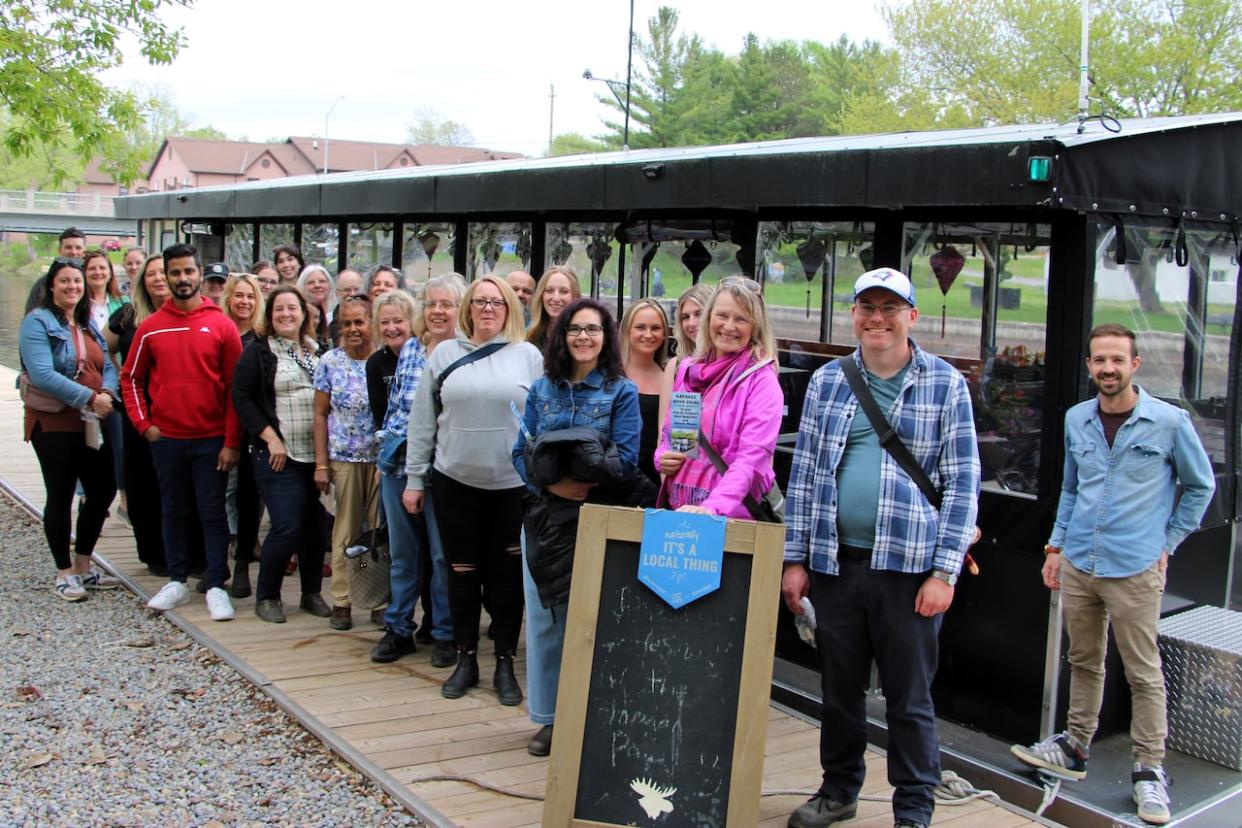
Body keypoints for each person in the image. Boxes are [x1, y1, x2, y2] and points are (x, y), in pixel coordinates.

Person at [781, 267, 981, 828]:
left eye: (890, 308)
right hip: (837, 562)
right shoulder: (828, 382)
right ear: (855, 315)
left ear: (911, 317)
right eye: (867, 306)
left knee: (909, 699)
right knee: (839, 691)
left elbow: (964, 485)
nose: (877, 318)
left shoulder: (945, 384)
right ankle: (839, 790)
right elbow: (806, 475)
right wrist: (795, 560)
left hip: (910, 571)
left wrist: (945, 573)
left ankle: (914, 809)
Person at [1011, 323, 1215, 826]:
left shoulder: (1168, 422)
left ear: (1134, 365)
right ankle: (1076, 746)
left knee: (1144, 673)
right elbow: (1072, 489)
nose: (1108, 369)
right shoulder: (1077, 419)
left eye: (1117, 361)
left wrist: (1165, 544)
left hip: (1135, 569)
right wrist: (1055, 546)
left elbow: (1200, 487)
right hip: (1081, 561)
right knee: (1084, 660)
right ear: (1089, 366)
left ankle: (1149, 771)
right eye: (1099, 360)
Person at [403, 275, 542, 702]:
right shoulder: (444, 353)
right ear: (468, 308)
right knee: (460, 574)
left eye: (496, 302)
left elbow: (541, 421)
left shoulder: (529, 356)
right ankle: (466, 659)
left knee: (505, 579)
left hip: (510, 485)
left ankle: (503, 662)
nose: (487, 309)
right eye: (479, 302)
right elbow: (423, 420)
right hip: (454, 481)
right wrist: (414, 478)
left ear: (509, 309)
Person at [513, 297, 641, 756]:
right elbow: (518, 453)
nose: (583, 337)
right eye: (574, 329)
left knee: (593, 621)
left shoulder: (620, 392)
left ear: (606, 337)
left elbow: (626, 459)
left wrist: (581, 483)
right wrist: (554, 485)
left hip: (598, 517)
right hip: (546, 517)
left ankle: (592, 712)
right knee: (547, 621)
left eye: (593, 329)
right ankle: (550, 718)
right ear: (561, 335)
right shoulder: (541, 390)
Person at [121, 243, 243, 622]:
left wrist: (231, 441)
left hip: (211, 440)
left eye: (188, 271)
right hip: (168, 438)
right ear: (166, 277)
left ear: (198, 273)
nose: (182, 279)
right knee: (172, 508)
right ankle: (176, 579)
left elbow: (234, 389)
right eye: (174, 273)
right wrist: (144, 425)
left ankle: (216, 583)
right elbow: (130, 379)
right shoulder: (151, 326)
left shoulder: (220, 324)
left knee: (212, 511)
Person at [19, 258, 120, 601]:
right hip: (54, 422)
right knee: (60, 495)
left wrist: (106, 392)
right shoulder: (37, 323)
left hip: (91, 422)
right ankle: (63, 572)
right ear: (51, 286)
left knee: (103, 488)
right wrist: (91, 398)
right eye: (65, 282)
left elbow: (106, 363)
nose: (73, 287)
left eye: (77, 282)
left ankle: (83, 564)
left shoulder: (86, 322)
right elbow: (43, 374)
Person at [232, 286, 331, 623]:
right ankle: (268, 596)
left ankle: (311, 592)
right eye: (279, 310)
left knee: (316, 526)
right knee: (287, 524)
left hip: (315, 455)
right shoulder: (258, 351)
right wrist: (270, 437)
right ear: (269, 315)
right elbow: (242, 397)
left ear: (304, 314)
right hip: (277, 453)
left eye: (292, 308)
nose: (286, 315)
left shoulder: (317, 350)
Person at [656, 278, 783, 518]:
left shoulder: (761, 380)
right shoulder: (689, 369)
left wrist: (711, 508)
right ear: (709, 317)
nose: (729, 326)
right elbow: (676, 436)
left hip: (731, 519)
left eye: (741, 319)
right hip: (681, 510)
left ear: (755, 327)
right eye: (722, 315)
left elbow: (752, 459)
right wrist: (662, 456)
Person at [407, 273, 467, 647]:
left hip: (450, 468)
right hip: (409, 464)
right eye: (432, 304)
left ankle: (445, 629)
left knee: (444, 554)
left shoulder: (465, 352)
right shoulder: (413, 350)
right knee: (412, 554)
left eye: (447, 303)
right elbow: (405, 414)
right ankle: (410, 624)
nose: (438, 311)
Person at [313, 296, 378, 631]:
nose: (353, 329)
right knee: (346, 532)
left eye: (359, 322)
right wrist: (321, 464)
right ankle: (342, 600)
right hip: (345, 459)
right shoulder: (329, 362)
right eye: (347, 323)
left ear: (371, 323)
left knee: (380, 534)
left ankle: (379, 599)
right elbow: (321, 415)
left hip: (381, 461)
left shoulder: (384, 359)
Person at [106, 254, 171, 576]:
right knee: (143, 481)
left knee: (173, 483)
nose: (159, 279)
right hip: (139, 410)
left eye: (164, 273)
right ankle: (152, 553)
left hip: (174, 409)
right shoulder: (127, 316)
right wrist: (119, 376)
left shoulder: (183, 314)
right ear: (143, 280)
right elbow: (106, 348)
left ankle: (181, 548)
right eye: (152, 274)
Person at [222, 273, 266, 598]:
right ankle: (215, 561)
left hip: (252, 429)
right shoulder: (220, 333)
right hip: (220, 425)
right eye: (239, 295)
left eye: (250, 296)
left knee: (248, 498)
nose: (244, 302)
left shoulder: (260, 339)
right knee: (220, 495)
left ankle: (242, 564)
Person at [82, 250, 129, 519]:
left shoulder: (121, 303)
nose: (98, 273)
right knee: (89, 442)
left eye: (103, 268)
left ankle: (125, 501)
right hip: (88, 382)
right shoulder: (79, 305)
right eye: (92, 269)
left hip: (116, 382)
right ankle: (87, 497)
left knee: (120, 442)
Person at [620, 298, 669, 484]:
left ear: (665, 333)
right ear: (627, 330)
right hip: (619, 478)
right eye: (640, 327)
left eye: (655, 328)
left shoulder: (672, 377)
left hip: (658, 477)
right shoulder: (610, 375)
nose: (648, 335)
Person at [659, 283, 714, 439]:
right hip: (684, 459)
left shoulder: (733, 366)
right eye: (685, 317)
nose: (691, 323)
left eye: (699, 314)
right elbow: (664, 434)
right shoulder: (676, 367)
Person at [25, 227, 87, 314]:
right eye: (68, 247)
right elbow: (31, 317)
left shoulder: (91, 281)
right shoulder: (43, 284)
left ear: (84, 252)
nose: (73, 252)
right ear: (59, 251)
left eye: (78, 248)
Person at [525, 265, 582, 351]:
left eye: (564, 291)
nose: (556, 298)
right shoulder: (529, 335)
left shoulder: (583, 337)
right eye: (549, 291)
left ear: (575, 297)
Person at [298, 264, 336, 351]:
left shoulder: (337, 314)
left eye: (322, 281)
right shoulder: (299, 318)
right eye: (311, 282)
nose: (317, 285)